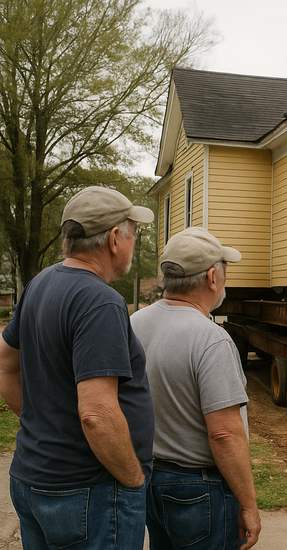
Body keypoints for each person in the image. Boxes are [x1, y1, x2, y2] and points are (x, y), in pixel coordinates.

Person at [0, 186, 155, 549]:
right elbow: (97, 413)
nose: (134, 243)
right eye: (133, 234)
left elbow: (5, 366)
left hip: (33, 478)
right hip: (88, 492)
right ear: (115, 238)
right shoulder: (100, 301)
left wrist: (42, 422)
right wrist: (133, 480)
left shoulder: (41, 283)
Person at [131, 227, 261, 550]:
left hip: (150, 477)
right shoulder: (211, 339)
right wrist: (248, 504)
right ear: (213, 277)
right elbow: (224, 434)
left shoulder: (133, 325)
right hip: (199, 490)